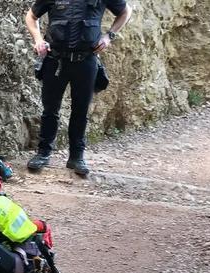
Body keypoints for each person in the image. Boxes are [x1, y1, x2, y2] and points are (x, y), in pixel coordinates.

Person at [25, 0, 133, 177]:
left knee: (80, 111)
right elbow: (31, 15)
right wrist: (38, 39)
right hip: (55, 60)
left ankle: (77, 157)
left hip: (86, 60)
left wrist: (109, 36)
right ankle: (43, 153)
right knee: (50, 109)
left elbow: (125, 11)